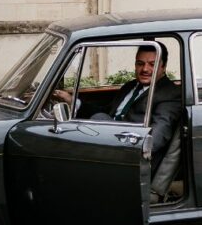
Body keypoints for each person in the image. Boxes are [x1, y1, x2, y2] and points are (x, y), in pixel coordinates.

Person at [54, 43, 182, 180]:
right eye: (140, 63)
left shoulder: (170, 94)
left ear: (163, 67)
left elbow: (156, 138)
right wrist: (73, 101)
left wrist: (117, 146)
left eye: (152, 64)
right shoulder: (130, 86)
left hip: (129, 158)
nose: (145, 69)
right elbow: (108, 112)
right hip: (106, 147)